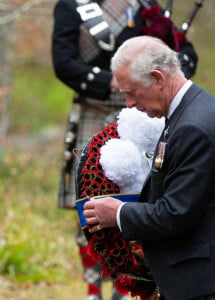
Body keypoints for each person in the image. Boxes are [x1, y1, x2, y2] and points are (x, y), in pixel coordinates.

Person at [83, 36, 215, 300]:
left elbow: (176, 214)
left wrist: (119, 213)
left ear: (157, 77)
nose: (129, 104)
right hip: (212, 274)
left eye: (132, 91)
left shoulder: (193, 125)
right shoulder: (194, 111)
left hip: (213, 282)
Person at [51, 1, 198, 299]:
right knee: (89, 208)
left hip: (143, 117)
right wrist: (113, 82)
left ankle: (128, 281)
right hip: (94, 108)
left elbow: (183, 56)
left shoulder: (146, 5)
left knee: (137, 200)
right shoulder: (72, 5)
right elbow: (63, 62)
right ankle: (94, 289)